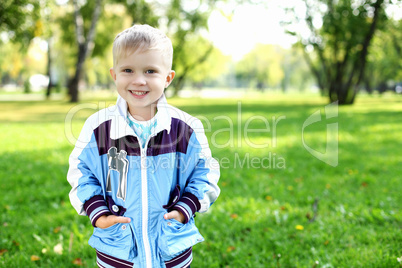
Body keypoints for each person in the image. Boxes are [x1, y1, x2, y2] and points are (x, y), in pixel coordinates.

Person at [67, 24, 220, 268]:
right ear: (114, 74)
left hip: (170, 248)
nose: (139, 80)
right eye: (128, 70)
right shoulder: (98, 127)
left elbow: (205, 173)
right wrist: (99, 214)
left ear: (168, 77)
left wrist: (184, 209)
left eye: (150, 71)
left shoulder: (185, 128)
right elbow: (81, 172)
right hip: (118, 250)